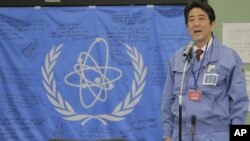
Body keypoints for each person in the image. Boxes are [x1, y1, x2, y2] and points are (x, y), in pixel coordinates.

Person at [161, 0, 249, 141]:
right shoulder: (178, 58)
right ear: (187, 26)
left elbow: (240, 102)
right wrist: (167, 135)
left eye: (201, 18)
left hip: (217, 134)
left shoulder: (229, 57)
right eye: (191, 19)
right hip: (181, 134)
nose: (196, 23)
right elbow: (167, 100)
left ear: (212, 24)